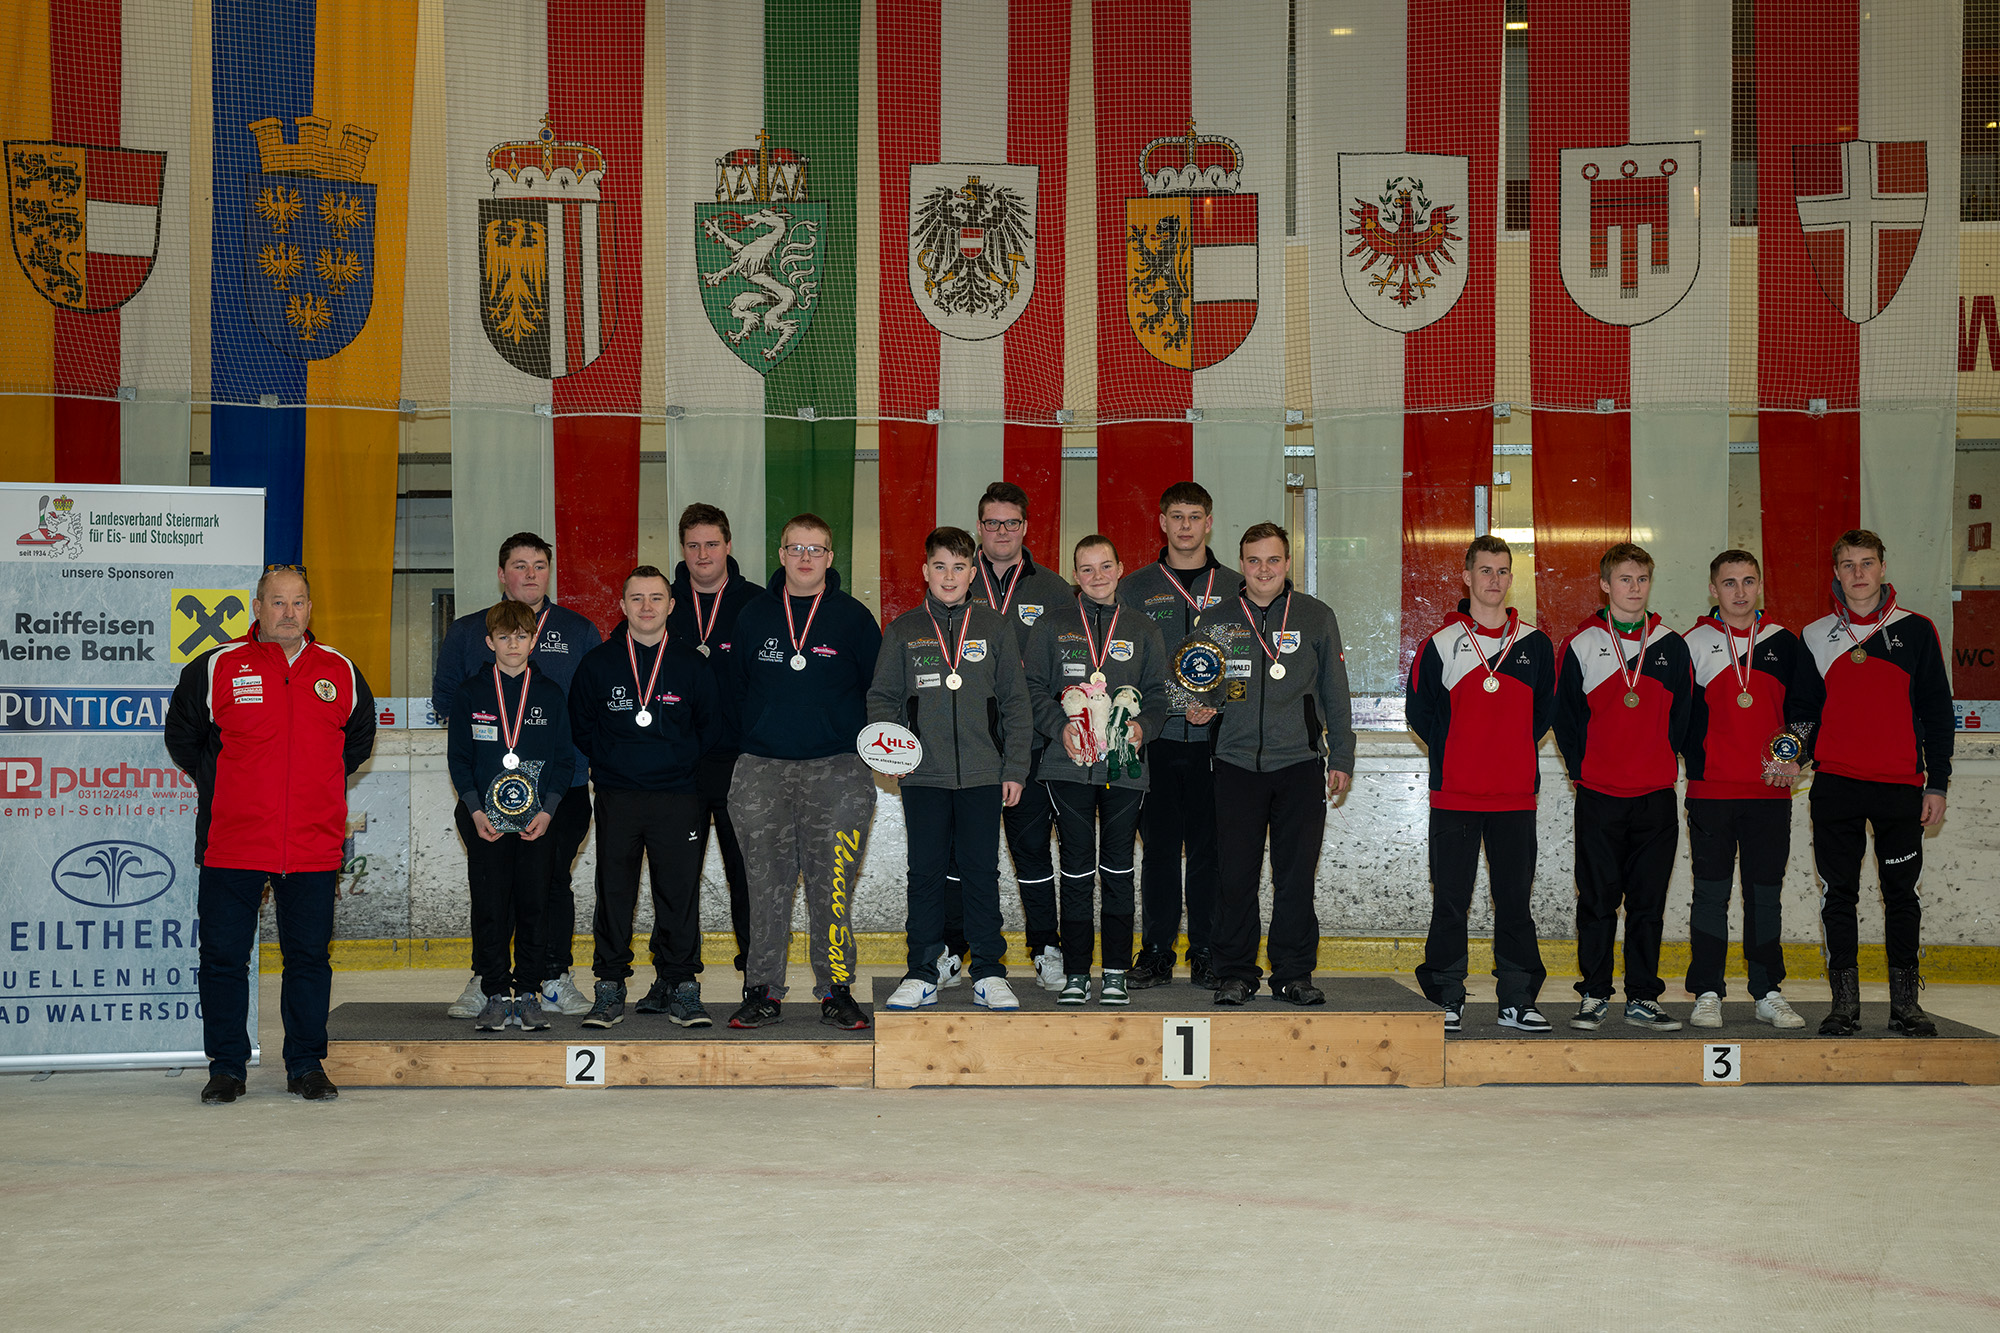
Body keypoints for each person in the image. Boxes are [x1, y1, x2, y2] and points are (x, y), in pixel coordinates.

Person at [165, 566, 377, 1104]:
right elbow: (184, 738)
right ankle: (227, 1067)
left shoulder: (342, 672)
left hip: (310, 843)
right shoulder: (215, 667)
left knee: (308, 959)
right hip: (233, 842)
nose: (289, 611)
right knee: (223, 959)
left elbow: (355, 744)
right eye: (277, 601)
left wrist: (310, 786)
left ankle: (305, 1064)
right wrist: (229, 786)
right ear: (256, 606)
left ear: (310, 608)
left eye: (299, 602)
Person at [722, 514, 883, 1029]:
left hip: (838, 770)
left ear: (831, 558)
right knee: (764, 886)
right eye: (796, 548)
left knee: (830, 886)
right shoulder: (752, 616)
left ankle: (836, 990)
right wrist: (765, 734)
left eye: (817, 549)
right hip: (762, 769)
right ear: (782, 554)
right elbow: (736, 690)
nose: (806, 557)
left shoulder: (855, 619)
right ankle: (761, 988)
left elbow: (877, 693)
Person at [431, 532, 602, 1018]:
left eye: (539, 565)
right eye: (519, 565)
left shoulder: (579, 630)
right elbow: (447, 699)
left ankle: (551, 977)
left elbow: (589, 708)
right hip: (487, 793)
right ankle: (488, 982)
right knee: (491, 885)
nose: (530, 574)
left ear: (550, 571)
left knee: (551, 884)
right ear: (501, 573)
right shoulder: (468, 632)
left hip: (560, 791)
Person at [1791, 529, 1954, 1037]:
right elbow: (1802, 714)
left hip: (1900, 787)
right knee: (1838, 896)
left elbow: (1937, 712)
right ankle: (1844, 1006)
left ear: (1883, 567)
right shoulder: (1816, 635)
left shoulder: (1918, 631)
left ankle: (1906, 1005)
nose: (1858, 573)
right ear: (1835, 573)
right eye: (1847, 565)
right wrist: (1790, 755)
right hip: (1836, 785)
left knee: (1901, 895)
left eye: (1867, 563)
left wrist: (1938, 784)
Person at [868, 527, 1035, 1012]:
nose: (949, 576)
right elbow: (882, 699)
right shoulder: (903, 630)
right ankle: (922, 971)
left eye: (959, 567)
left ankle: (988, 971)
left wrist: (1015, 768)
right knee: (925, 874)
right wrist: (892, 753)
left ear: (972, 571)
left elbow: (1015, 704)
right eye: (939, 566)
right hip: (923, 776)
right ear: (925, 571)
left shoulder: (995, 626)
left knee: (982, 872)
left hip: (985, 773)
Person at [1197, 523, 1354, 1007]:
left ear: (1287, 564)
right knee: (1235, 876)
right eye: (1253, 561)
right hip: (1236, 765)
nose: (1263, 570)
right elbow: (1197, 683)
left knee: (1295, 876)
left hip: (1300, 765)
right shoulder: (1217, 620)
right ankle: (1236, 973)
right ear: (1240, 564)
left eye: (1273, 560)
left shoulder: (1315, 615)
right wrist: (1199, 705)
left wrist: (1341, 755)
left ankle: (1292, 974)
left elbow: (1335, 692)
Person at [1405, 536, 1557, 1034]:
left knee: (1514, 901)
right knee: (1451, 900)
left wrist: (1507, 751)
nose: (1494, 580)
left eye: (1502, 571)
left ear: (1511, 579)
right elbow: (1421, 714)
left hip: (1515, 797)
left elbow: (1543, 715)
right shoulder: (1440, 644)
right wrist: (1460, 752)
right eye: (1485, 570)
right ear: (1466, 577)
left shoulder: (1535, 644)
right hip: (1455, 795)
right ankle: (1447, 994)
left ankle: (1516, 998)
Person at [568, 566, 719, 1029]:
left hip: (678, 797)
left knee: (679, 894)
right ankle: (609, 987)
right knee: (614, 894)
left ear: (671, 606)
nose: (647, 607)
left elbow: (710, 730)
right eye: (637, 598)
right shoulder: (598, 663)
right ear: (622, 605)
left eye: (656, 598)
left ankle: (682, 987)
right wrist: (617, 763)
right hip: (619, 795)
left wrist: (676, 765)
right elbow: (582, 727)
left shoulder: (693, 664)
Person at [1553, 542, 1693, 1032]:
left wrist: (1656, 758)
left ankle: (1642, 997)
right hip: (1599, 795)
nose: (1634, 589)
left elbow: (1683, 719)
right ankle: (1594, 993)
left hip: (1655, 796)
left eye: (1642, 580)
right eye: (1625, 580)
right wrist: (1581, 769)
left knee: (1648, 904)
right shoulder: (1581, 643)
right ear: (1605, 585)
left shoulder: (1673, 645)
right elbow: (1566, 719)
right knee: (1596, 902)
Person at [1024, 535, 1168, 1005]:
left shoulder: (1144, 628)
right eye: (1086, 569)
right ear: (1074, 575)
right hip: (1067, 769)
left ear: (1121, 567)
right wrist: (1056, 727)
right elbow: (1032, 688)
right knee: (1076, 871)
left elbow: (1161, 695)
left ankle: (1115, 972)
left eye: (1105, 566)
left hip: (1124, 769)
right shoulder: (1052, 625)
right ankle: (1076, 972)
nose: (1097, 576)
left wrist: (1142, 728)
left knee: (1119, 869)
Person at [1679, 550, 1809, 1029]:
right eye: (1729, 582)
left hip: (1770, 793)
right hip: (1711, 793)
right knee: (1710, 896)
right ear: (1713, 589)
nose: (1739, 591)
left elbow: (1804, 710)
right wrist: (1699, 765)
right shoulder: (1690, 644)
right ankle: (1707, 991)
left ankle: (1767, 991)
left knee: (1764, 896)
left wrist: (1790, 753)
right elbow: (1678, 719)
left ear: (1760, 587)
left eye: (1748, 581)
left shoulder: (1784, 643)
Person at [959, 480, 1075, 992]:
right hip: (969, 750)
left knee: (1031, 854)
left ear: (1026, 528)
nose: (1001, 531)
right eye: (991, 523)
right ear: (978, 528)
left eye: (1011, 523)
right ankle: (949, 949)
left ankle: (1046, 947)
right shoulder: (958, 581)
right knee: (963, 856)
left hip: (1032, 748)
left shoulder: (1051, 589)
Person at [1118, 481, 1229, 989]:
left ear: (1209, 522)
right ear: (1161, 522)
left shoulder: (1236, 586)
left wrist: (1222, 701)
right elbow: (1119, 661)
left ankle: (1206, 951)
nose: (1185, 525)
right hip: (1155, 743)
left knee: (1211, 852)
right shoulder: (1135, 587)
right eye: (1176, 516)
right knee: (1158, 852)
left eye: (1195, 516)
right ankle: (1157, 952)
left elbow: (1255, 664)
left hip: (1219, 744)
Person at [444, 600, 575, 1031]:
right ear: (489, 642)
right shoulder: (470, 693)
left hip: (537, 822)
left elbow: (563, 760)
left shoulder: (551, 693)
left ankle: (530, 992)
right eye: (504, 637)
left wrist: (550, 811)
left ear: (534, 639)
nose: (513, 644)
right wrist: (475, 809)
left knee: (536, 905)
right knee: (490, 905)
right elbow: (459, 759)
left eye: (521, 636)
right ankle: (496, 991)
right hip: (484, 822)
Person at [667, 503, 761, 983]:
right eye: (692, 545)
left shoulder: (759, 604)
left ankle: (756, 976)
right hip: (678, 769)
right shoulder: (658, 603)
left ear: (729, 545)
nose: (702, 554)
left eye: (711, 543)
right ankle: (678, 978)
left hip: (742, 765)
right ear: (682, 550)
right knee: (677, 879)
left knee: (747, 878)